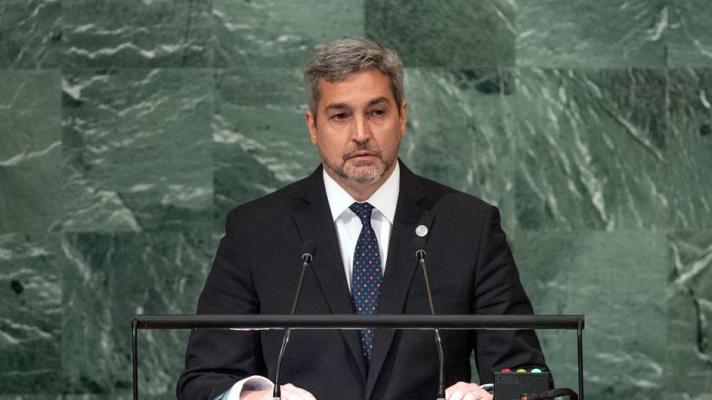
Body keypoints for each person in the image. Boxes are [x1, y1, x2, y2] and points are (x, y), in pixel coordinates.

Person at [177, 38, 548, 400]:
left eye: (377, 112)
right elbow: (205, 380)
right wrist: (252, 398)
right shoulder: (256, 231)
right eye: (340, 116)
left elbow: (524, 377)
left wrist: (485, 396)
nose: (360, 135)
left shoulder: (469, 226)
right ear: (312, 126)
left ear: (402, 117)